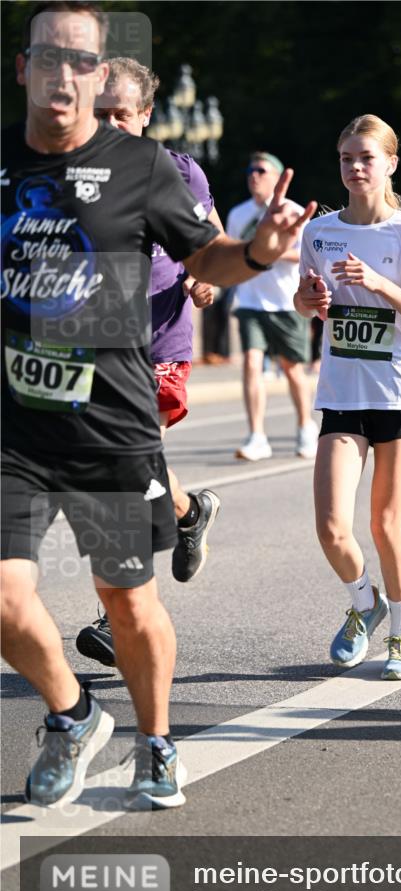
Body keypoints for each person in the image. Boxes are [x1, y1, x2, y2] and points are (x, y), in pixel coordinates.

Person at [1, 1, 315, 810]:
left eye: (81, 61)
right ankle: (73, 715)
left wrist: (256, 253)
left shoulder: (141, 166)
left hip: (108, 425)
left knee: (125, 600)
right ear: (23, 68)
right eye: (48, 57)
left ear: (99, 73)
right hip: (14, 427)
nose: (64, 75)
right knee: (2, 597)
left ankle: (156, 741)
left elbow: (203, 255)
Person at [73, 56, 222, 669]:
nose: (109, 124)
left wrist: (206, 279)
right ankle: (189, 511)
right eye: (99, 113)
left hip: (159, 344)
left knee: (122, 469)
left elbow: (210, 241)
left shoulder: (178, 170)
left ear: (145, 115)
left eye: (120, 114)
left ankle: (117, 618)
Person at [294, 115, 401, 681]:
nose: (355, 167)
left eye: (366, 157)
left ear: (390, 164)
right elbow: (304, 302)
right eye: (346, 158)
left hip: (397, 396)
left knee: (385, 524)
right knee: (331, 526)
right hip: (342, 392)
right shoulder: (318, 232)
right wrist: (310, 299)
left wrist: (381, 285)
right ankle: (366, 603)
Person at [226, 152, 319, 461]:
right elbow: (231, 250)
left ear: (278, 178)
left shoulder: (294, 212)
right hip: (250, 300)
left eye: (261, 171)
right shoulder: (238, 214)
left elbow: (306, 256)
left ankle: (305, 427)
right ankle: (256, 435)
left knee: (292, 370)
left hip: (286, 302)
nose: (253, 175)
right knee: (252, 364)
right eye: (250, 170)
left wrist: (268, 252)